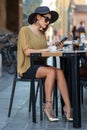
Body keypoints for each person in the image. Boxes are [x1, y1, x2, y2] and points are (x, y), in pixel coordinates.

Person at [17, 6, 73, 122]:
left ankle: (68, 107)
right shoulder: (25, 30)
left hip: (39, 65)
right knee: (51, 71)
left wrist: (53, 48)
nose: (48, 23)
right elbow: (27, 52)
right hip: (27, 67)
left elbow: (43, 54)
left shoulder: (42, 34)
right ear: (38, 17)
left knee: (60, 72)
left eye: (49, 21)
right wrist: (46, 49)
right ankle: (48, 106)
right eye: (46, 19)